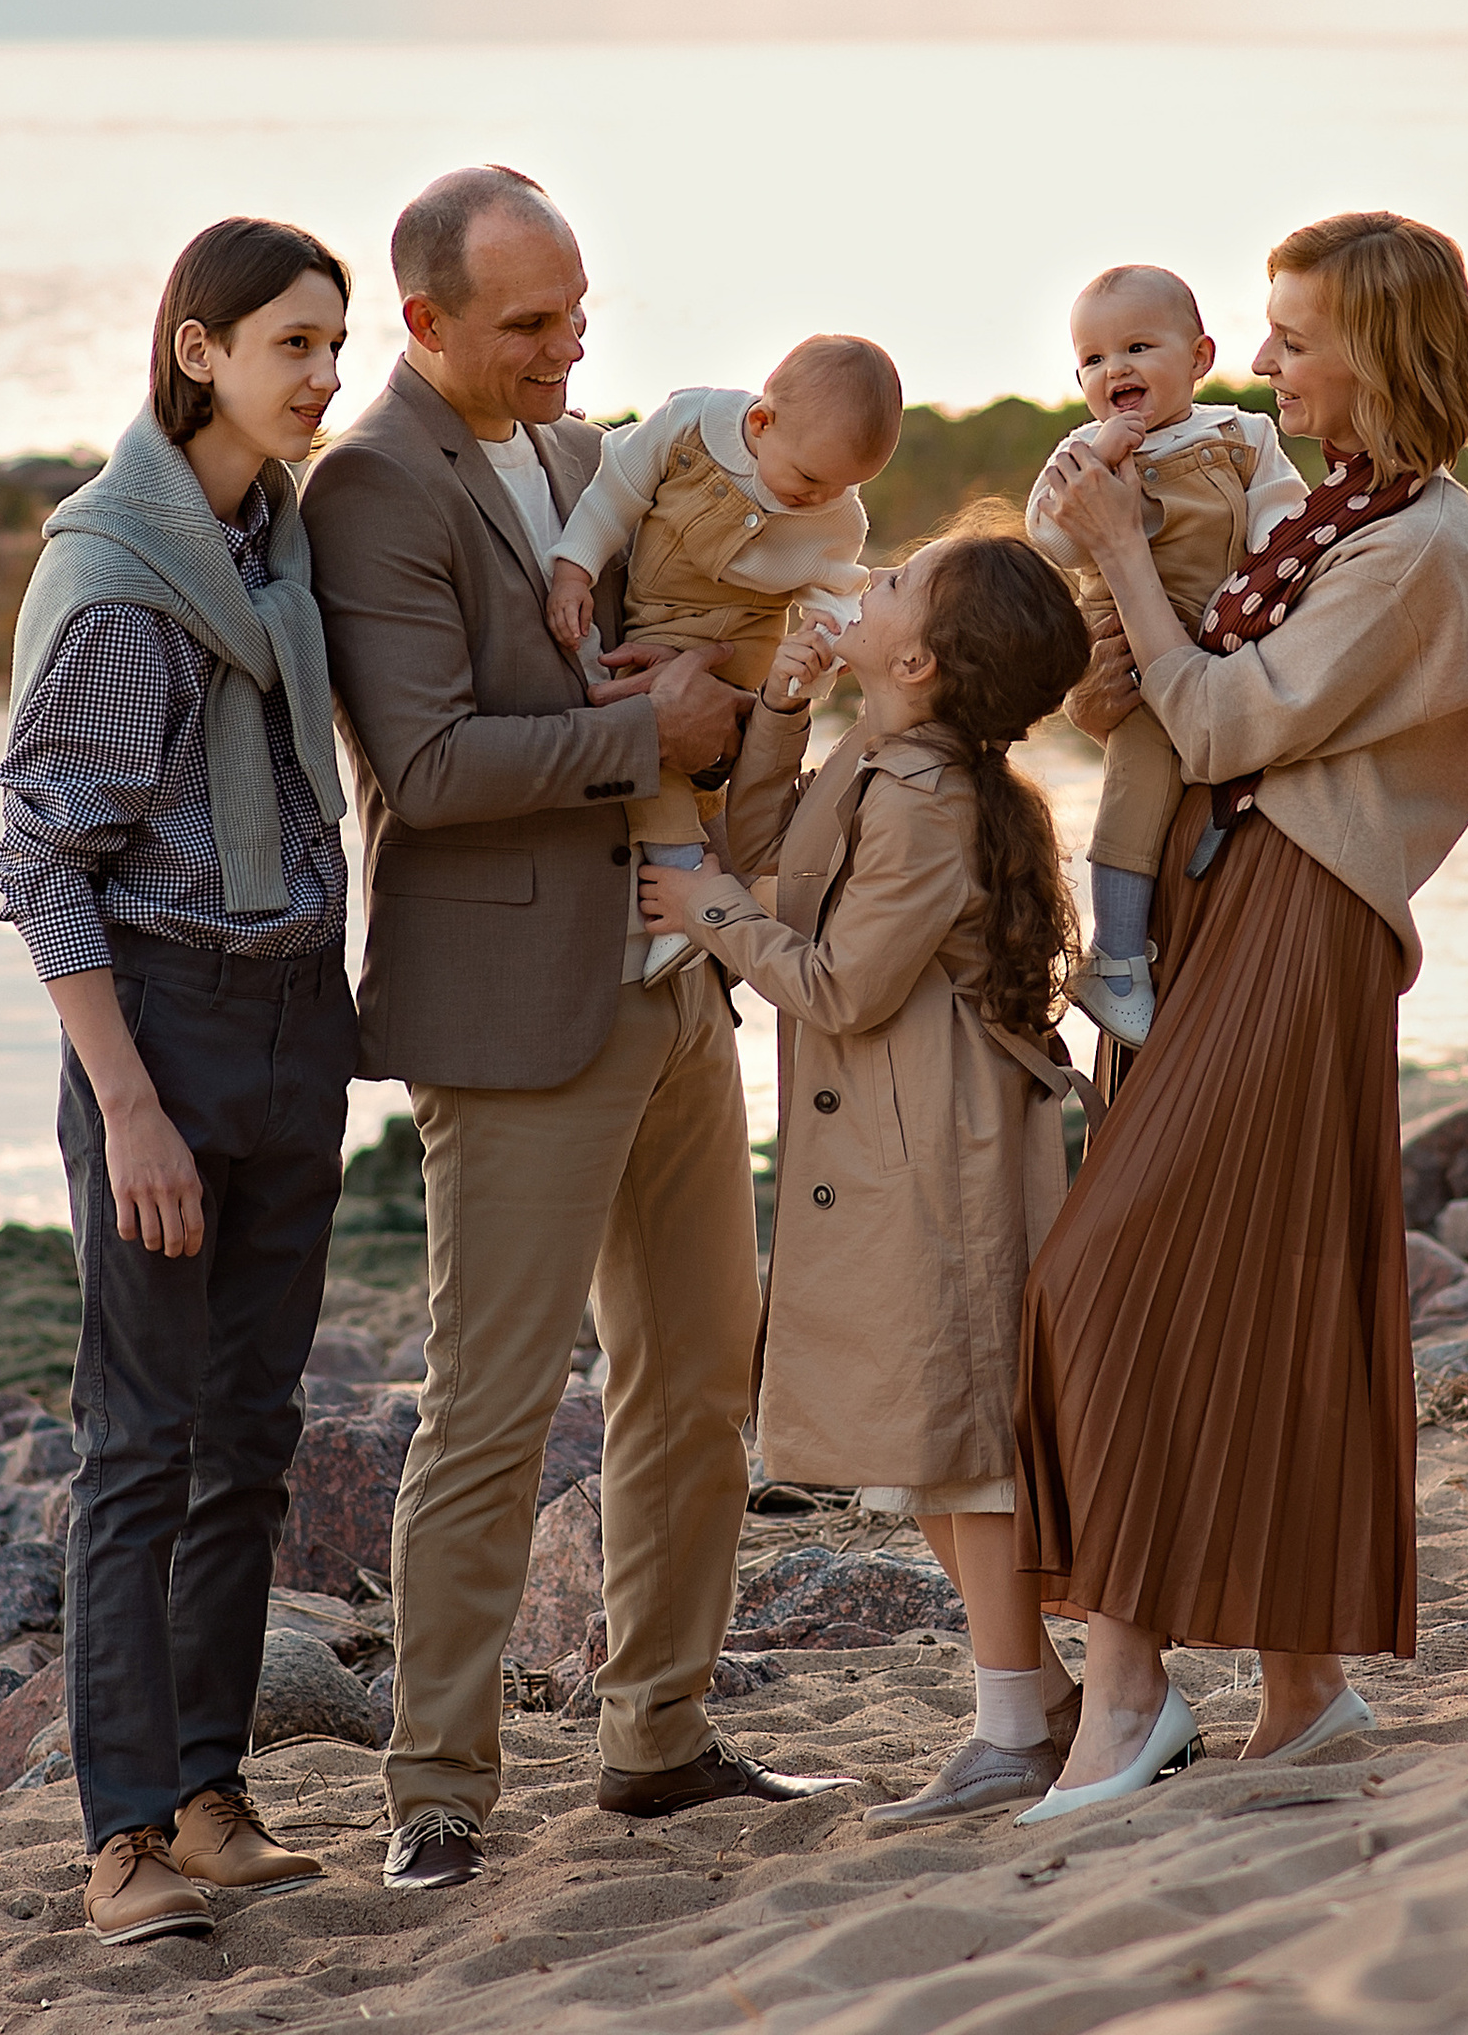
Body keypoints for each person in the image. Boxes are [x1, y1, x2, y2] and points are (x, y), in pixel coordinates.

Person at [301, 165, 847, 1897]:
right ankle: (438, 1788)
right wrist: (650, 725)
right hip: (514, 1011)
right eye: (531, 321)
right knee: (490, 1404)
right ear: (429, 322)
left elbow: (679, 667)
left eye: (578, 309)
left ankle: (659, 1737)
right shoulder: (372, 485)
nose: (569, 342)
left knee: (699, 1378)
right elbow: (429, 766)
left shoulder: (579, 454)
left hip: (673, 979)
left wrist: (755, 692)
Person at [1013, 210, 1468, 1823]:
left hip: (1304, 914)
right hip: (1232, 895)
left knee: (1104, 1274)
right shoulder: (1319, 505)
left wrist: (1110, 561)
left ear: (1378, 350)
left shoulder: (1416, 542)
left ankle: (1132, 1693)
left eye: (1297, 338)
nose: (1271, 358)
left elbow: (1223, 712)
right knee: (1286, 1285)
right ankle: (1303, 1692)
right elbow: (1161, 691)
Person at [0, 217, 360, 1944]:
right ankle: (123, 1838)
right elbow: (43, 859)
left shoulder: (274, 544)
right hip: (165, 1031)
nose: (325, 375)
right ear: (198, 350)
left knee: (255, 1444)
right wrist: (128, 1103)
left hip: (297, 1020)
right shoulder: (123, 571)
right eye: (294, 343)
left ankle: (212, 1795)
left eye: (336, 345)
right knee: (141, 1447)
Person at [639, 513, 1102, 1816]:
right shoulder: (888, 754)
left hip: (933, 1151)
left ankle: (1019, 1720)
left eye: (896, 580)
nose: (870, 578)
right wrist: (786, 697)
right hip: (896, 1140)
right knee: (926, 1444)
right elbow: (784, 850)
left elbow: (838, 976)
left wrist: (705, 912)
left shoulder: (933, 800)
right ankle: (1038, 1702)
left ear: (922, 668)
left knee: (960, 1449)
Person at [546, 339, 904, 984]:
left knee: (728, 754)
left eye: (846, 484)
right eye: (810, 478)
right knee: (649, 734)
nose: (821, 497)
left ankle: (707, 895)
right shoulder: (688, 427)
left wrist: (828, 648)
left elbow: (833, 594)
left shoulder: (835, 513)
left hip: (746, 639)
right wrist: (574, 571)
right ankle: (701, 884)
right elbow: (612, 495)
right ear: (762, 424)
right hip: (659, 618)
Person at [1024, 266, 1305, 1048]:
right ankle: (1114, 954)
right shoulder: (1082, 449)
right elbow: (1051, 535)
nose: (1113, 369)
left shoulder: (1243, 434)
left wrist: (1269, 576)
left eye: (1137, 347)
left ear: (1199, 357)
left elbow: (1281, 514)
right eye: (1091, 359)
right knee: (1141, 771)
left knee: (1222, 761)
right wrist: (1101, 457)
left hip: (1219, 630)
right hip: (1131, 641)